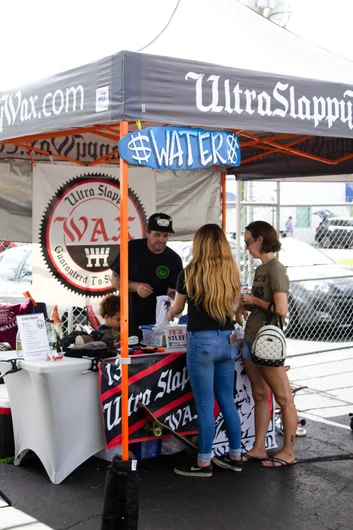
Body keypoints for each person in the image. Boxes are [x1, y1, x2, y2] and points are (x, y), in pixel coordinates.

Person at [167, 224, 242, 478]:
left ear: (199, 244)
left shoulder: (189, 272)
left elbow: (177, 309)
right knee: (227, 400)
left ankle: (203, 462)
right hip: (228, 339)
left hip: (202, 341)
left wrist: (169, 312)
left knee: (205, 403)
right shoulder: (231, 271)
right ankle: (235, 455)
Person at [237, 221, 297, 468]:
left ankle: (288, 451)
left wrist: (254, 301)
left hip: (268, 342)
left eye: (248, 240)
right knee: (260, 395)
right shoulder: (261, 269)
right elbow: (264, 302)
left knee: (283, 398)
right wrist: (246, 303)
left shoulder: (275, 269)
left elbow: (281, 310)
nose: (247, 246)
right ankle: (259, 447)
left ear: (260, 240)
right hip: (253, 338)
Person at [111, 213, 183, 335]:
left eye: (165, 235)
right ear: (147, 232)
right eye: (157, 235)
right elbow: (115, 281)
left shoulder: (174, 259)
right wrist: (136, 287)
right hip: (129, 319)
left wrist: (171, 300)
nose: (161, 239)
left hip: (158, 324)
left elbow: (174, 290)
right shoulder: (132, 249)